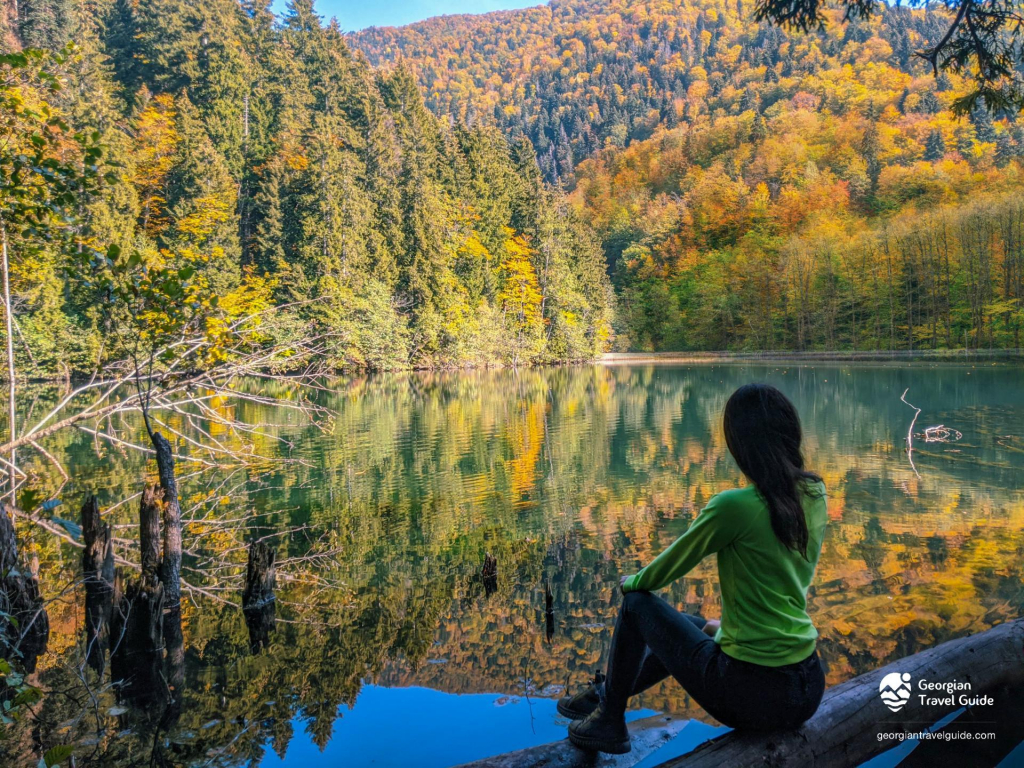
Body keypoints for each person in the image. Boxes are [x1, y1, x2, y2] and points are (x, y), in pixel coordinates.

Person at [559, 383, 829, 754]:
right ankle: (604, 694)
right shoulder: (816, 494)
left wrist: (631, 581)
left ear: (739, 445)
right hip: (809, 684)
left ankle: (610, 721)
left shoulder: (733, 507)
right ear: (790, 434)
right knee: (694, 624)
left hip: (753, 695)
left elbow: (665, 570)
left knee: (637, 604)